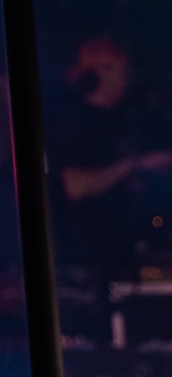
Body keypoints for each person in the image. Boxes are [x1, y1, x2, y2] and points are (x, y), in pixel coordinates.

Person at [56, 35, 172, 266]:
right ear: (101, 74)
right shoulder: (76, 124)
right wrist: (134, 164)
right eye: (121, 72)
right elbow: (76, 186)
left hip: (132, 245)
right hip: (95, 253)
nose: (126, 80)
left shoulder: (129, 116)